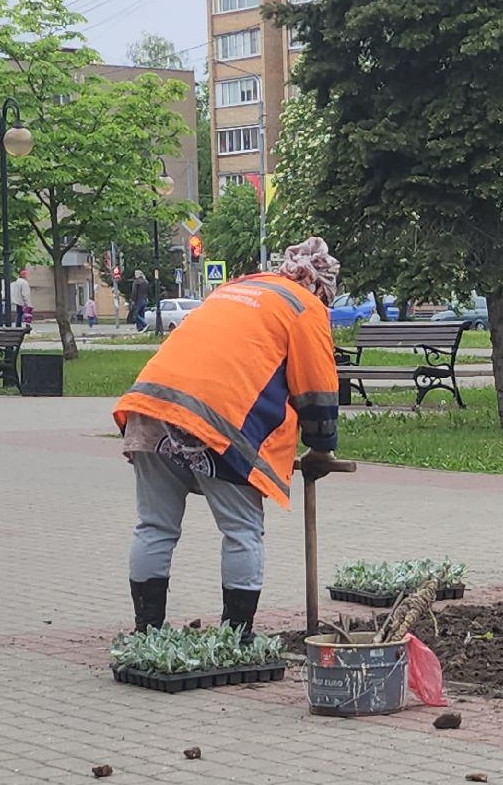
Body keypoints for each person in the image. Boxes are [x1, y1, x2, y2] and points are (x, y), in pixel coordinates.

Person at [112, 238, 345, 636]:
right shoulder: (305, 308)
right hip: (217, 422)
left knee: (154, 526)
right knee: (242, 531)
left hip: (151, 407)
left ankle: (146, 631)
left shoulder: (235, 288)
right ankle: (236, 635)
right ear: (321, 287)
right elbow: (317, 390)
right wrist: (322, 448)